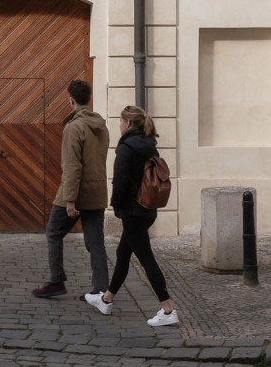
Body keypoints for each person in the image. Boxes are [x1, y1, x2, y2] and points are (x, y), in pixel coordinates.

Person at [84, 105, 177, 327]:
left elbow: (121, 181)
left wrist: (116, 207)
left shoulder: (126, 148)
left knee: (146, 258)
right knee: (123, 253)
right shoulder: (149, 145)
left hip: (133, 211)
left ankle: (168, 309)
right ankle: (107, 299)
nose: (118, 125)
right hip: (147, 209)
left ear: (127, 123)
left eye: (120, 121)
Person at [31, 77, 108, 299]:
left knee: (53, 232)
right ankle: (101, 290)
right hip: (97, 192)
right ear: (89, 98)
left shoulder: (74, 128)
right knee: (96, 242)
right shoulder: (101, 126)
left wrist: (71, 199)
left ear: (71, 101)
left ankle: (57, 281)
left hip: (73, 193)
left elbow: (72, 166)